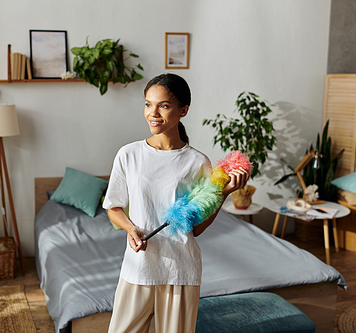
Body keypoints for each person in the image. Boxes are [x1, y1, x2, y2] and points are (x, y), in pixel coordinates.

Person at [103, 73, 249, 333]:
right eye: (148, 104)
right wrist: (129, 228)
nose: (153, 113)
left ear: (183, 110)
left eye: (164, 105)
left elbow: (195, 228)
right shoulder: (129, 155)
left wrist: (224, 194)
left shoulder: (198, 162)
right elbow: (113, 206)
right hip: (139, 267)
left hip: (179, 270)